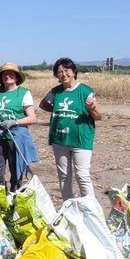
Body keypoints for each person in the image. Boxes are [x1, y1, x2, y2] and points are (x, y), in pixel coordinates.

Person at [39, 57, 102, 200]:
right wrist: (57, 111)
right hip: (59, 138)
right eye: (59, 72)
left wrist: (91, 109)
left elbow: (98, 116)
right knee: (64, 176)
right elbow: (43, 105)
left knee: (82, 175)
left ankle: (90, 209)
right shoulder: (55, 92)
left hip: (81, 139)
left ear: (73, 72)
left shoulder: (85, 91)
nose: (63, 74)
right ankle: (69, 207)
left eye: (66, 70)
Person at [0, 62, 38, 191]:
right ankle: (1, 198)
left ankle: (15, 196)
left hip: (16, 137)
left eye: (11, 73)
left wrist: (14, 122)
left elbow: (32, 118)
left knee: (16, 171)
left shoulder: (23, 93)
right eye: (4, 74)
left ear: (17, 76)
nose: (7, 76)